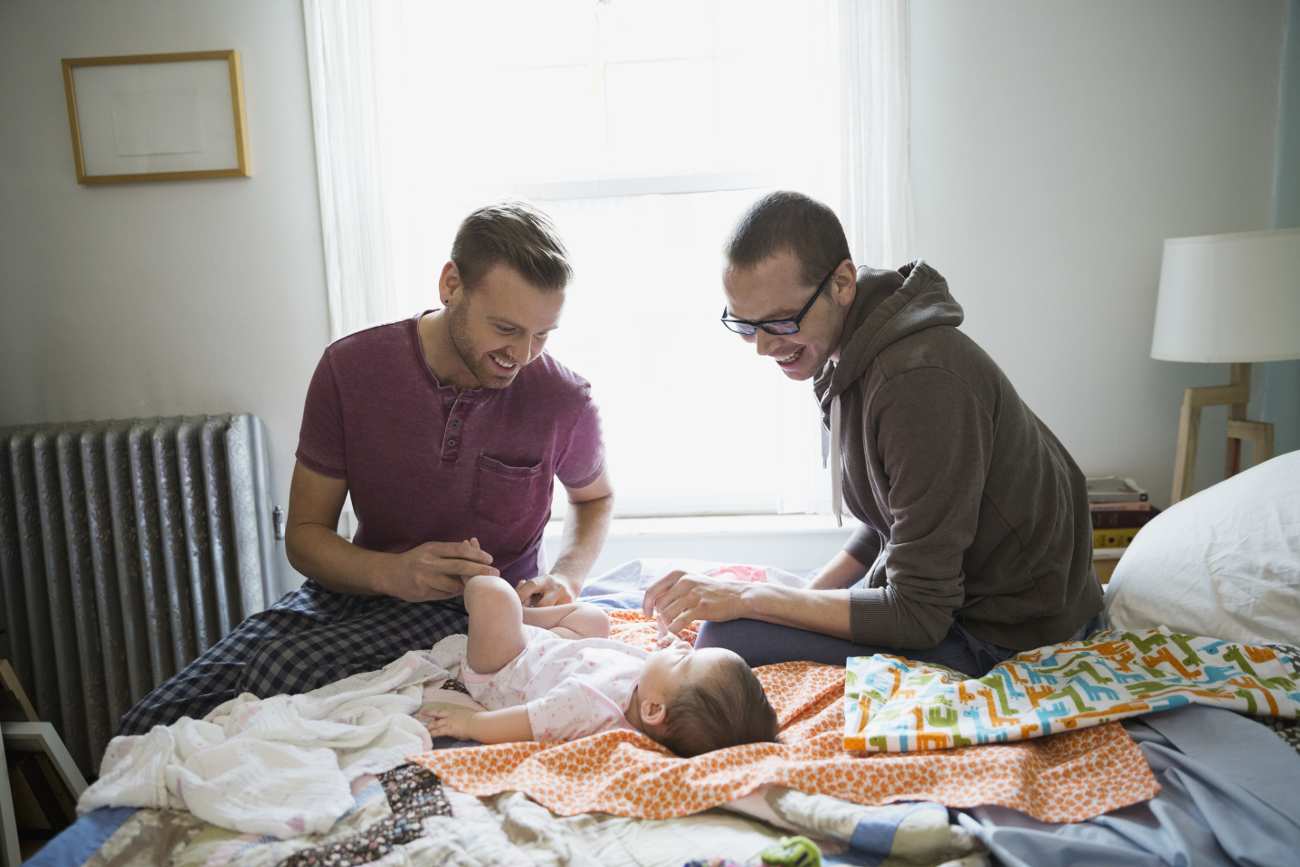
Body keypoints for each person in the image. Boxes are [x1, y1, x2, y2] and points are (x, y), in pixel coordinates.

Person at [116, 200, 614, 736]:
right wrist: (390, 572)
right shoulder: (350, 370)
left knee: (278, 669)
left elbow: (594, 498)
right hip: (349, 596)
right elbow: (305, 536)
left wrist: (566, 576)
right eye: (505, 328)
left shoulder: (563, 398)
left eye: (543, 334)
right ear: (451, 285)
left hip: (479, 619)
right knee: (146, 723)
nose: (521, 354)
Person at [643, 191, 1102, 677]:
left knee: (722, 642)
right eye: (744, 325)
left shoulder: (918, 385)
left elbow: (919, 613)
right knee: (731, 622)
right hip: (957, 603)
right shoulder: (840, 348)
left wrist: (751, 598)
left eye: (779, 321)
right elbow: (899, 515)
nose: (762, 347)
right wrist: (803, 596)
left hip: (1012, 633)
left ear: (841, 283)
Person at [425, 571, 779, 757]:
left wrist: (471, 723)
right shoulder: (654, 689)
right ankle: (521, 618)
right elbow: (668, 664)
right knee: (595, 619)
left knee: (493, 592)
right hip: (557, 652)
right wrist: (670, 645)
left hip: (505, 669)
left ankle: (488, 602)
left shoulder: (586, 705)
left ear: (654, 710)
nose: (685, 649)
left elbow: (524, 723)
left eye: (684, 660)